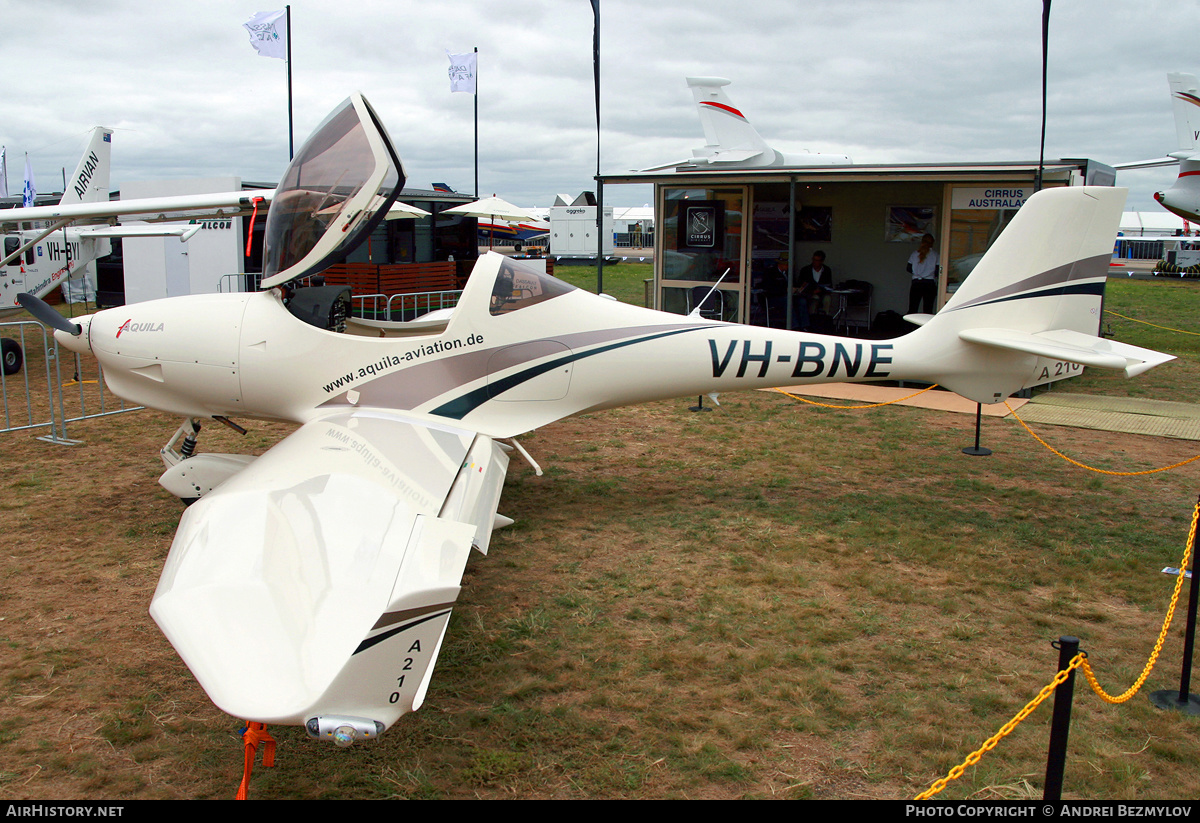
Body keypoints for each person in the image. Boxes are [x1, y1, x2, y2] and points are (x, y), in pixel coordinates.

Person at [793, 250, 833, 330]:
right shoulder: (805, 270)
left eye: (818, 260)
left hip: (822, 293)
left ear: (822, 261)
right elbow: (800, 284)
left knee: (827, 299)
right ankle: (811, 323)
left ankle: (824, 321)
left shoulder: (827, 270)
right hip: (809, 294)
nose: (815, 262)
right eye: (814, 260)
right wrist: (811, 291)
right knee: (814, 300)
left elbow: (829, 284)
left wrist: (821, 290)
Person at [907, 234, 939, 314]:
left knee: (913, 308)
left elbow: (908, 268)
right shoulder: (935, 255)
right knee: (928, 309)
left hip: (916, 283)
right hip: (929, 283)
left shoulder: (914, 254)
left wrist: (918, 273)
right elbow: (938, 271)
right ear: (932, 243)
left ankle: (910, 326)